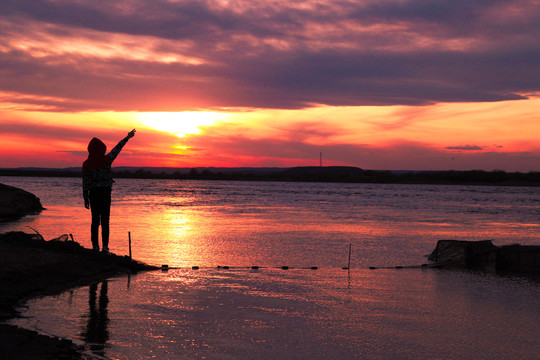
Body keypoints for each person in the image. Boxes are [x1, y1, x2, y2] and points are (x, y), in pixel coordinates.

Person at [83, 129, 136, 253]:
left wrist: (85, 197)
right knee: (105, 221)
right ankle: (105, 247)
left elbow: (85, 183)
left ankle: (95, 246)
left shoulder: (86, 164)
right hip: (105, 194)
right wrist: (127, 138)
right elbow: (117, 149)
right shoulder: (106, 160)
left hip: (93, 194)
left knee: (95, 220)